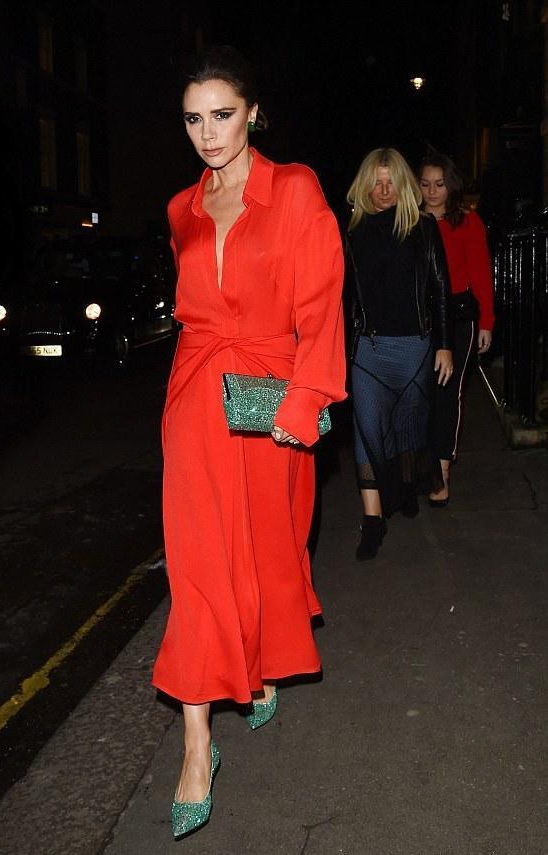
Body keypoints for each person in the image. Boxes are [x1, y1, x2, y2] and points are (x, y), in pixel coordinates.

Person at [152, 45, 346, 839]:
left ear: (253, 114)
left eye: (222, 115)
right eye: (193, 119)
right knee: (198, 563)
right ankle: (197, 746)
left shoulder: (294, 188)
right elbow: (193, 312)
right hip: (197, 397)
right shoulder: (181, 209)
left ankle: (257, 663)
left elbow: (321, 303)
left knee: (266, 549)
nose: (208, 133)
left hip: (271, 402)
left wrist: (306, 398)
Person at [346, 147, 453, 560]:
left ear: (404, 185)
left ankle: (406, 487)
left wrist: (444, 344)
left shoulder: (423, 228)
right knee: (367, 429)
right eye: (377, 182)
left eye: (392, 182)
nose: (385, 190)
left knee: (408, 427)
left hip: (414, 349)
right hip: (368, 351)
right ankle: (372, 521)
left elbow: (440, 289)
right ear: (365, 185)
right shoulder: (352, 232)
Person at [419, 151, 495, 505]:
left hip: (459, 315)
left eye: (439, 184)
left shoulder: (467, 222)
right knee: (420, 394)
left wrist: (487, 323)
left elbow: (480, 272)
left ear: (450, 186)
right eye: (425, 184)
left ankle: (442, 472)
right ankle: (420, 466)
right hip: (420, 318)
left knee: (448, 393)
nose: (433, 191)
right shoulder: (411, 221)